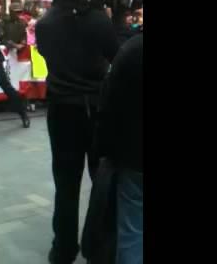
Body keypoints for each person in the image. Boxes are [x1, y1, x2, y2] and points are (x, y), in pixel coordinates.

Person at [35, 0, 119, 264]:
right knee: (103, 180)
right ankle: (100, 245)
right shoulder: (96, 20)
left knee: (66, 182)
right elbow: (117, 55)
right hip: (95, 107)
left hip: (61, 109)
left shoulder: (44, 24)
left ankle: (63, 248)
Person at [98, 34, 143, 264]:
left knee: (132, 231)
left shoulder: (131, 50)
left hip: (134, 155)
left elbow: (108, 106)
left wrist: (106, 150)